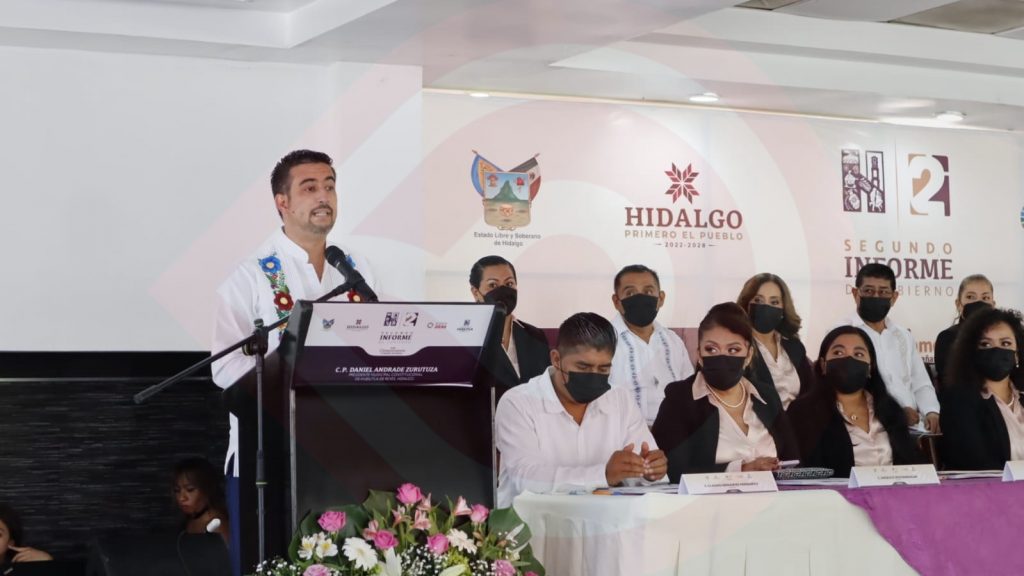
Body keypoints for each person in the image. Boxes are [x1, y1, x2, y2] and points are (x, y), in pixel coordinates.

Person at [211, 150, 375, 575]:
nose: (324, 196)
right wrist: (283, 364)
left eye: (330, 186)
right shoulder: (250, 276)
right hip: (268, 458)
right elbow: (224, 369)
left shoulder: (354, 271)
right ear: (281, 202)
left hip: (346, 454)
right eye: (310, 187)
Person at [494, 312, 668, 508]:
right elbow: (527, 479)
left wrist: (649, 471)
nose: (593, 376)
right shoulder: (518, 403)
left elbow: (640, 472)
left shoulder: (620, 400)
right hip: (535, 524)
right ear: (556, 359)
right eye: (583, 367)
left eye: (603, 369)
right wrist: (603, 474)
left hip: (604, 522)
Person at [652, 303, 798, 480]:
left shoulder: (767, 396)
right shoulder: (680, 399)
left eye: (733, 350)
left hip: (776, 495)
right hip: (708, 498)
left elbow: (793, 460)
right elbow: (672, 470)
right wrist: (741, 470)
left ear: (748, 355)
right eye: (711, 349)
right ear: (699, 355)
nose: (722, 357)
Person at [789, 327, 926, 477]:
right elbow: (804, 471)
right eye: (838, 352)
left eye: (858, 354)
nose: (849, 359)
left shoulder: (890, 410)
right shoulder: (803, 412)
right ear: (823, 365)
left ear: (870, 367)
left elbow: (913, 464)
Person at [841, 263, 940, 433]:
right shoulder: (842, 334)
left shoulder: (903, 335)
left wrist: (931, 411)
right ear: (856, 294)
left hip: (912, 430)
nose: (876, 296)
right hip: (866, 430)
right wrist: (895, 413)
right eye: (868, 291)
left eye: (883, 292)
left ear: (894, 297)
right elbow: (847, 389)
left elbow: (920, 382)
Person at [608, 265, 694, 425]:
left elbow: (690, 392)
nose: (640, 298)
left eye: (648, 292)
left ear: (661, 298)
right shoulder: (602, 342)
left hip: (676, 431)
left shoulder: (674, 341)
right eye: (630, 293)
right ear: (617, 302)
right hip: (624, 433)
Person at [940, 307, 1024, 470]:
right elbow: (975, 461)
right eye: (985, 344)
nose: (997, 350)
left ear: (1017, 354)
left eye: (1005, 343)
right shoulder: (958, 401)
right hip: (991, 485)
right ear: (971, 352)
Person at [469, 255, 550, 399]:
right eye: (492, 285)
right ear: (476, 293)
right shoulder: (464, 339)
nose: (503, 290)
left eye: (509, 284)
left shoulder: (536, 336)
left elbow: (546, 390)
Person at [736, 273, 814, 410]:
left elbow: (810, 391)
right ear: (746, 304)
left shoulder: (794, 345)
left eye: (774, 302)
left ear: (783, 309)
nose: (766, 307)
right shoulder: (737, 348)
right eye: (758, 300)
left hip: (800, 420)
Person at [935, 274, 995, 388]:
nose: (978, 302)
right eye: (971, 297)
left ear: (993, 305)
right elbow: (949, 382)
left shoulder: (1004, 337)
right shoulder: (947, 337)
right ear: (958, 304)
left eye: (985, 298)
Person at [174, 458, 230, 543]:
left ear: (207, 489)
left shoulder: (217, 524)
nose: (181, 498)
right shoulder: (187, 520)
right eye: (177, 490)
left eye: (190, 490)